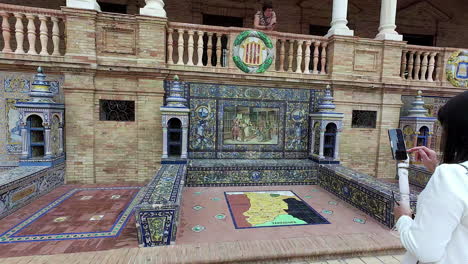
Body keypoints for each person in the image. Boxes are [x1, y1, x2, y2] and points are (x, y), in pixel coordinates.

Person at [393, 91, 468, 264]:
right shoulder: (453, 175)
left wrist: (403, 218)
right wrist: (437, 167)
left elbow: (424, 250)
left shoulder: (451, 176)